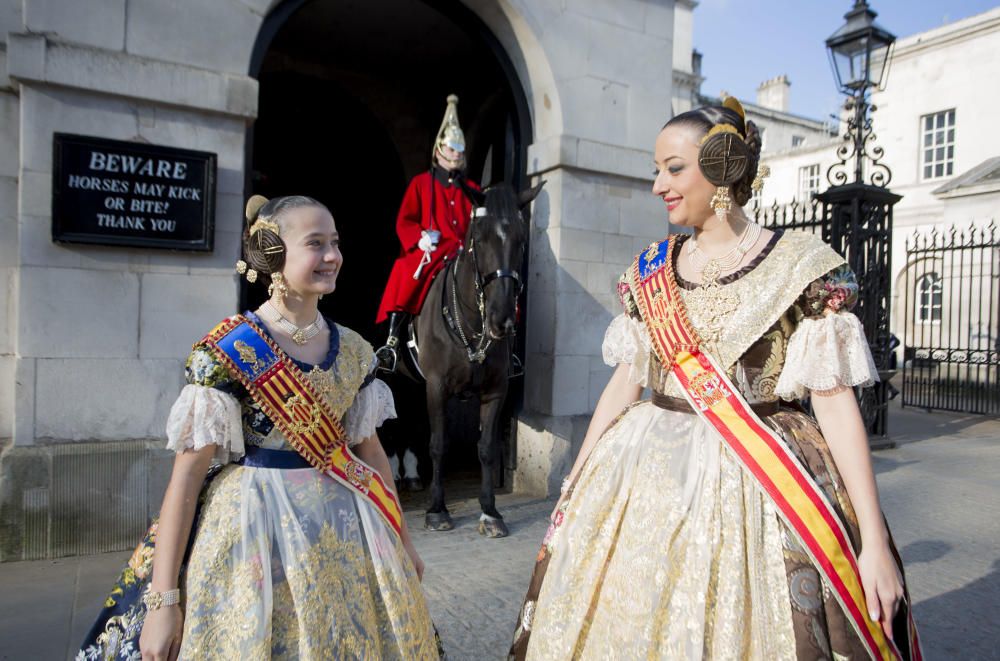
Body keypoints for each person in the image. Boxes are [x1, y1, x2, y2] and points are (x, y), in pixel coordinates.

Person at [509, 98, 922, 660]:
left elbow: (835, 405)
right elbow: (626, 382)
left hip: (762, 488)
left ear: (723, 166)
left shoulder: (800, 266)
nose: (658, 185)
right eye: (657, 170)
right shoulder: (649, 269)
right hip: (643, 478)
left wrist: (872, 541)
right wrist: (574, 483)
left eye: (673, 169)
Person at [78, 195, 441, 660]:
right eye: (315, 243)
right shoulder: (229, 349)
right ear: (272, 252)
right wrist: (163, 600)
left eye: (335, 242)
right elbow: (186, 478)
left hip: (347, 534)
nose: (332, 256)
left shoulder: (353, 350)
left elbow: (369, 455)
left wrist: (403, 544)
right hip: (251, 531)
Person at [375, 94, 482, 373]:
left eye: (459, 151)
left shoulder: (471, 188)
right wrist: (419, 237)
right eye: (451, 150)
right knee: (405, 271)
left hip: (463, 252)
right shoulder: (421, 184)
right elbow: (405, 220)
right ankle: (393, 341)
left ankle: (505, 347)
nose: (456, 155)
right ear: (439, 151)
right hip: (433, 250)